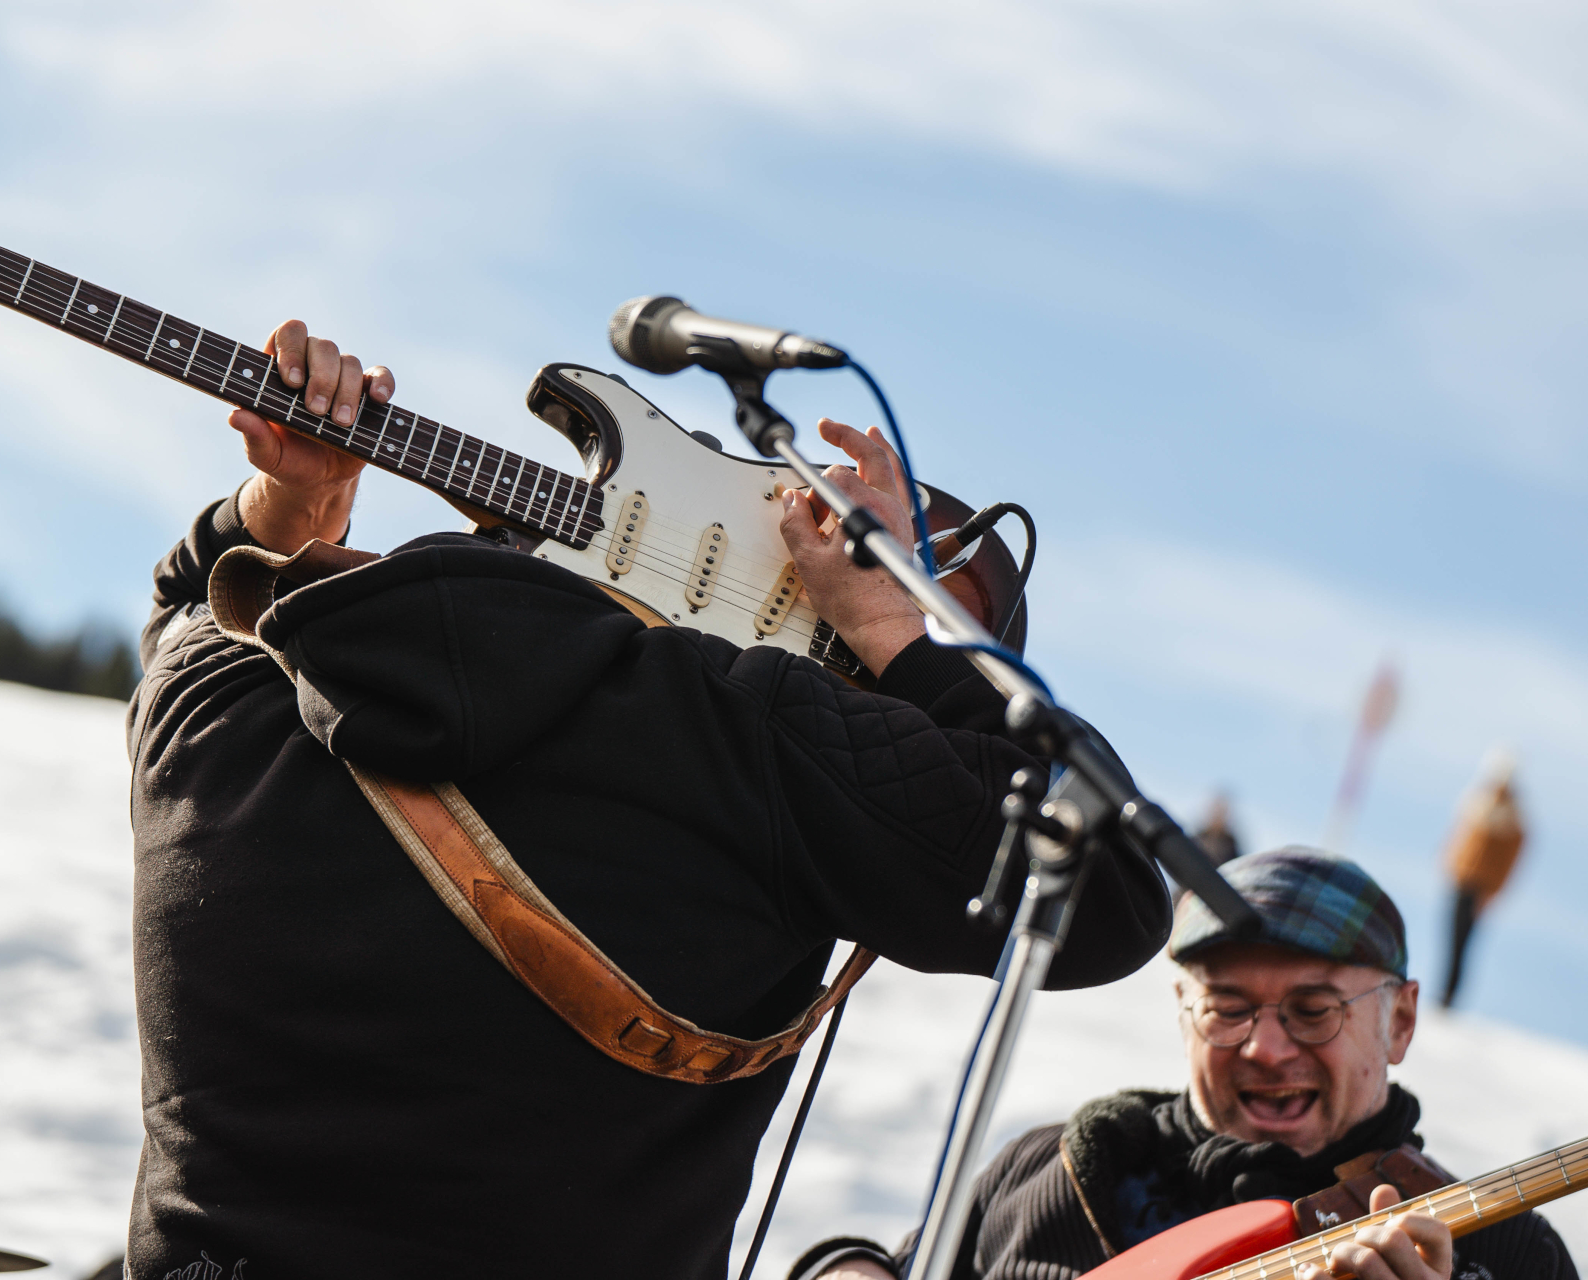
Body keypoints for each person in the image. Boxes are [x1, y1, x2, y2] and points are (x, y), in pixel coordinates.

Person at [123, 323, 1176, 1279]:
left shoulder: (205, 705)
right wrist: (894, 633)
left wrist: (291, 508)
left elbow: (190, 607)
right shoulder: (736, 736)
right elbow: (1110, 888)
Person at [791, 849, 1577, 1280]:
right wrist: (849, 1270)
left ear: (1398, 1020)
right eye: (1228, 1007)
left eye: (1313, 1011)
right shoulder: (1055, 1168)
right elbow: (902, 1267)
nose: (1266, 1048)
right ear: (1182, 1009)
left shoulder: (1505, 1251)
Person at [1439, 750, 1525, 1009]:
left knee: (1462, 943)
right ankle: (1444, 992)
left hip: (1479, 889)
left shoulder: (1511, 818)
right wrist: (1449, 865)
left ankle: (1448, 995)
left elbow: (1508, 862)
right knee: (1451, 939)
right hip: (1461, 880)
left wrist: (1491, 893)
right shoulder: (1477, 803)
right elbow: (1461, 841)